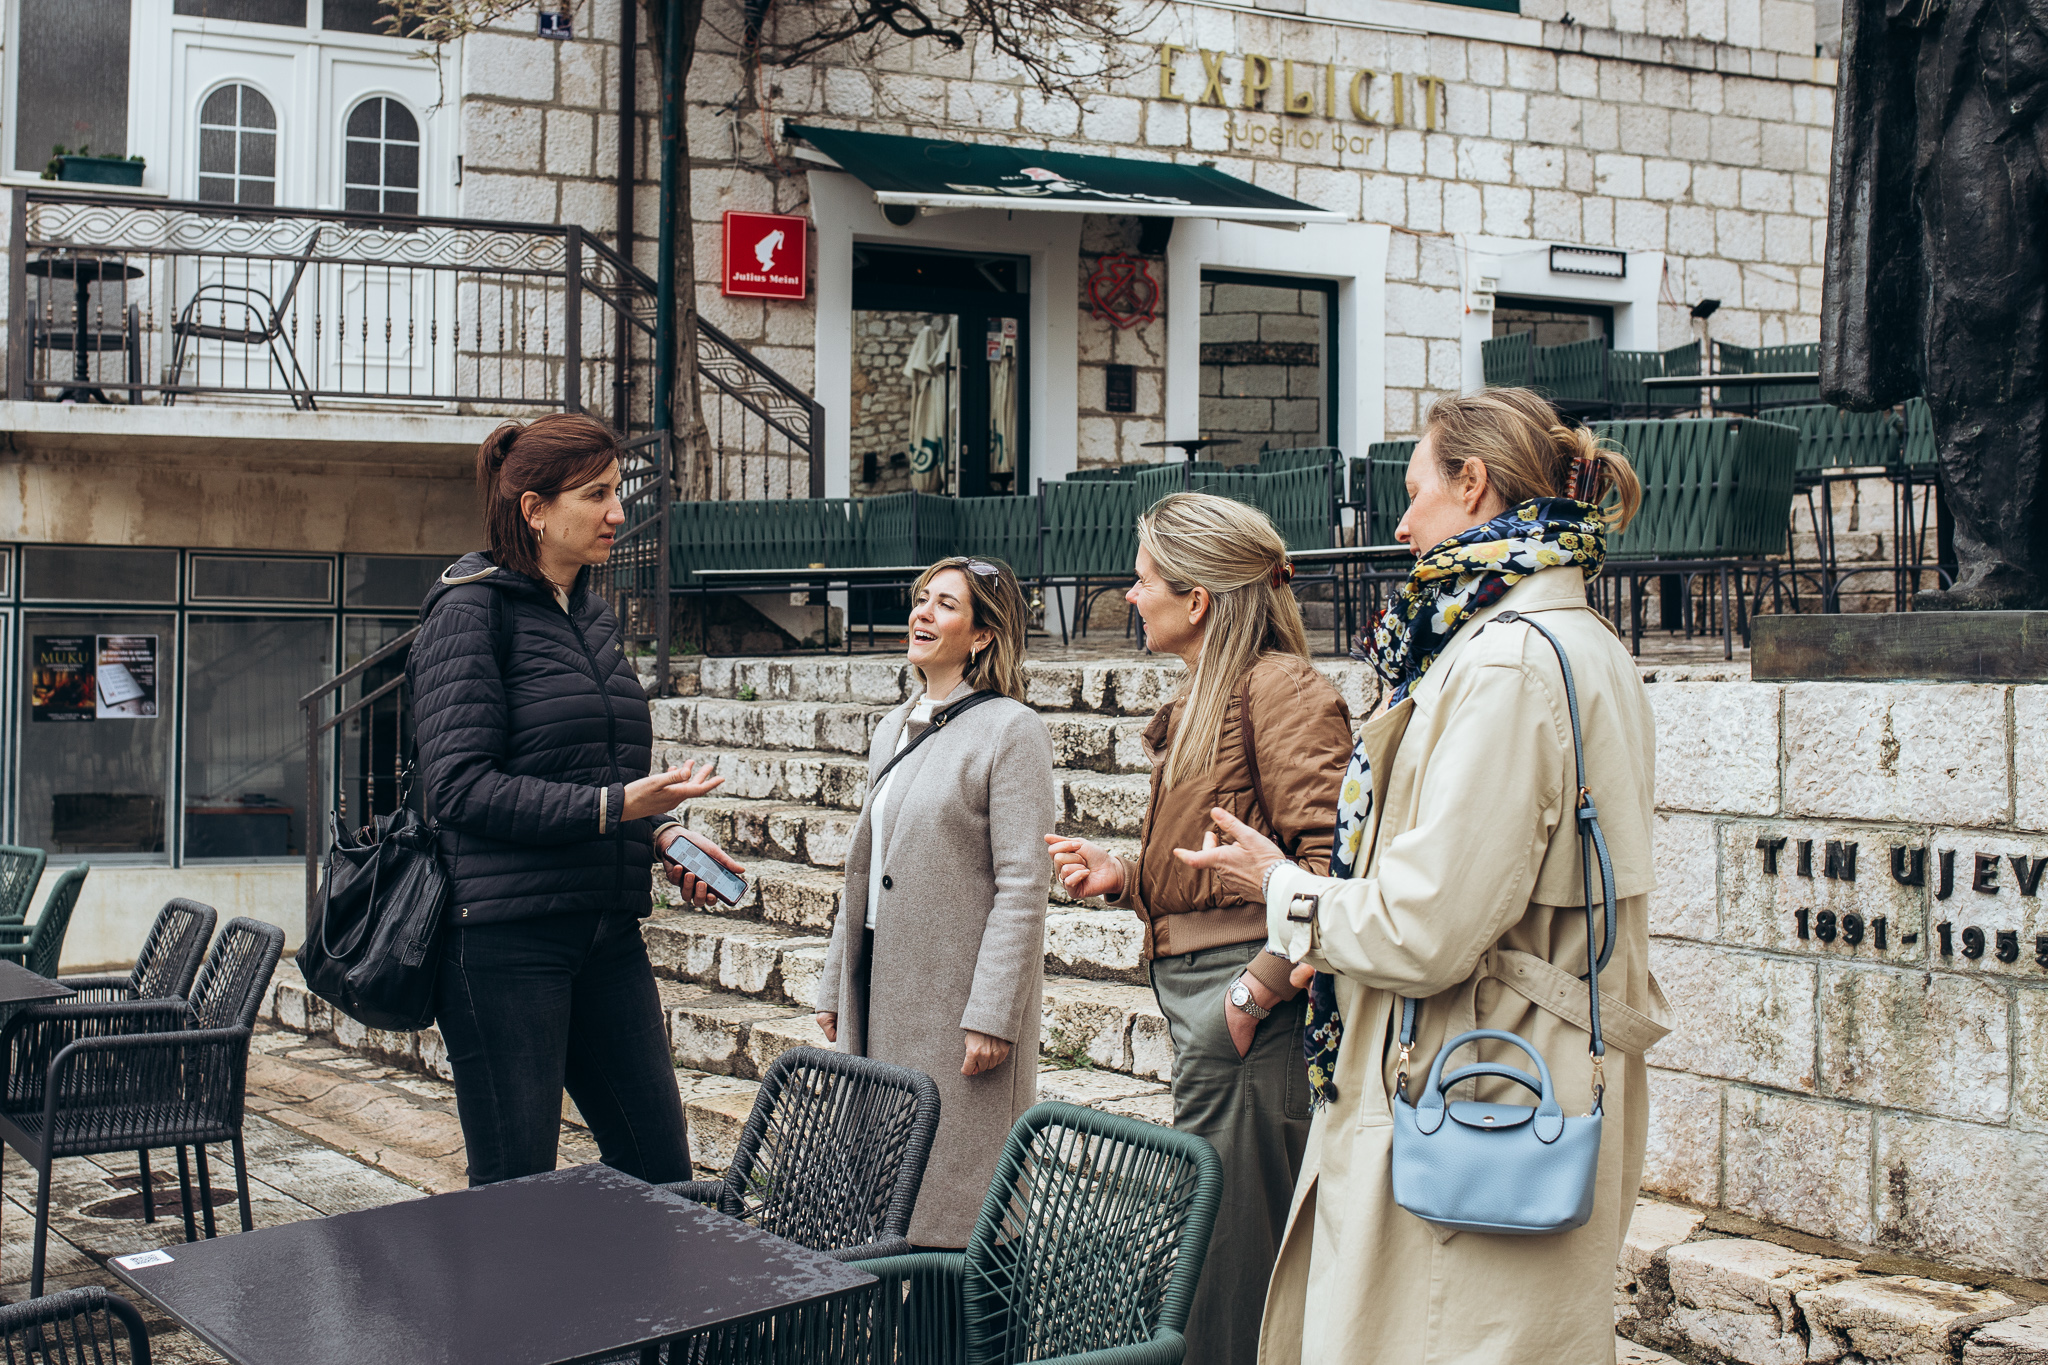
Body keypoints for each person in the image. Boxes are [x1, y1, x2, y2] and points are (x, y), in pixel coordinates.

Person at [1181, 389, 1673, 1365]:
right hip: (1511, 1079)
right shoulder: (1580, 642)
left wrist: (1281, 888)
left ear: (1472, 483)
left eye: (1415, 493)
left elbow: (1426, 926)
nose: (1401, 525)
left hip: (1473, 1084)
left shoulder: (1504, 663)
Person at [1047, 493, 1353, 1365]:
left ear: (1198, 598)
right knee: (1216, 1247)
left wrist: (1256, 989)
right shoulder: (1214, 691)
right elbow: (1220, 862)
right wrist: (1125, 875)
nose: (1129, 595)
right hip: (1209, 1001)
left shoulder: (1282, 688)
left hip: (1246, 1011)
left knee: (1231, 1259)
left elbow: (1330, 861)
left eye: (1143, 579)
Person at [412, 412, 745, 1187]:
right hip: (505, 941)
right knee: (515, 1189)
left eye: (617, 491)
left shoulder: (590, 615)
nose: (618, 513)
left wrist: (658, 831)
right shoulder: (469, 611)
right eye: (596, 494)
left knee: (660, 1175)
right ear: (534, 509)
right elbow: (458, 787)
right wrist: (614, 808)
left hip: (605, 930)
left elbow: (587, 768)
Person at [814, 555, 1056, 1248]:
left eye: (946, 604)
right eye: (922, 598)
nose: (922, 612)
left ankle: (964, 1313)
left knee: (960, 1201)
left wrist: (994, 1014)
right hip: (880, 987)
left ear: (982, 635)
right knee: (888, 1188)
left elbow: (1024, 882)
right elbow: (864, 868)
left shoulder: (1012, 730)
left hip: (956, 1003)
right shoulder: (893, 727)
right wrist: (835, 981)